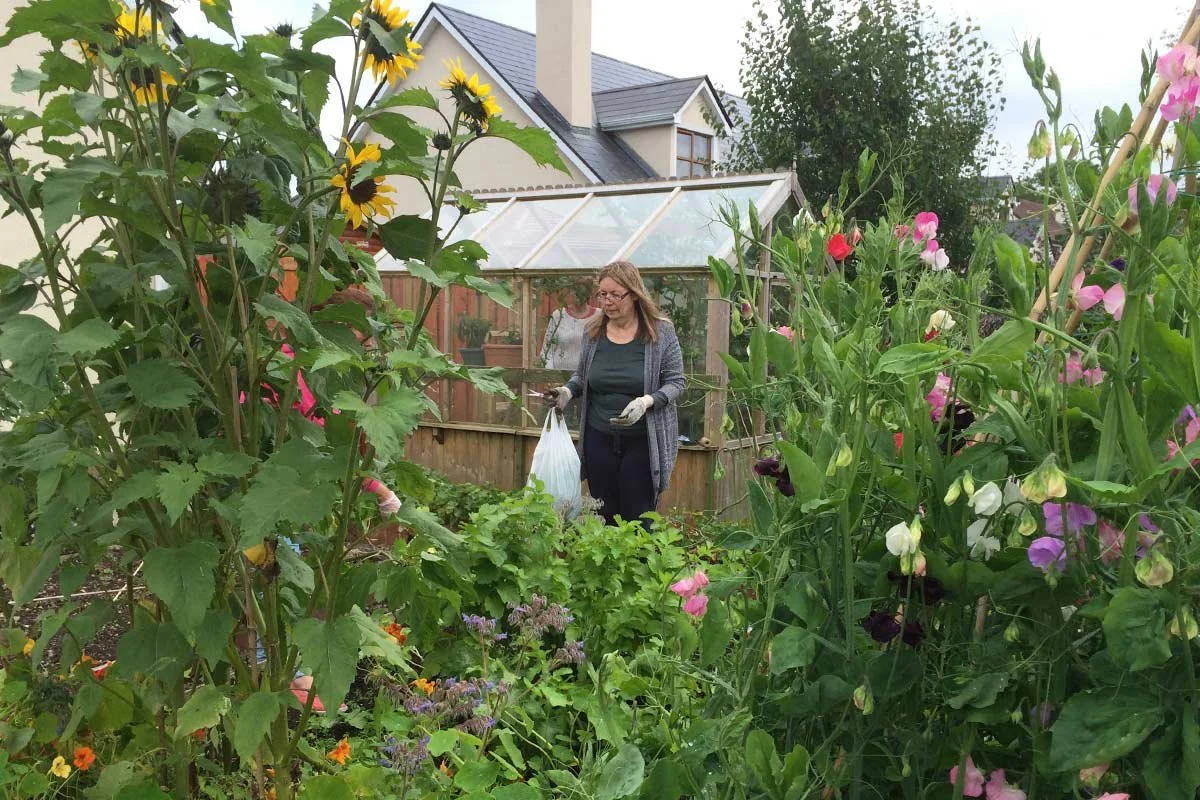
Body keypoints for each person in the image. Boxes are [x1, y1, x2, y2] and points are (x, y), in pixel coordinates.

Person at [543, 261, 686, 525]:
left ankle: (641, 565)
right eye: (602, 294)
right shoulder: (593, 332)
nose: (607, 302)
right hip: (599, 439)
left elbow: (676, 382)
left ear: (633, 294)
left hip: (642, 441)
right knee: (604, 514)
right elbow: (583, 377)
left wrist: (647, 402)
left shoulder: (660, 332)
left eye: (615, 295)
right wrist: (566, 391)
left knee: (639, 516)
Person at [539, 278, 599, 370]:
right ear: (571, 292)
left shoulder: (598, 316)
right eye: (576, 292)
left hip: (588, 379)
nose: (578, 296)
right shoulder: (559, 315)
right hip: (559, 378)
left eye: (582, 293)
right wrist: (550, 377)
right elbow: (547, 351)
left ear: (589, 294)